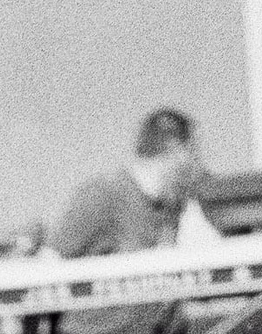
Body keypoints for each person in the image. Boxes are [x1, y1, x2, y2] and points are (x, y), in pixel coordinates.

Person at [48, 109, 206, 257]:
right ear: (176, 150)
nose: (197, 164)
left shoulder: (172, 208)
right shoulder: (103, 195)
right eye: (193, 153)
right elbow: (50, 260)